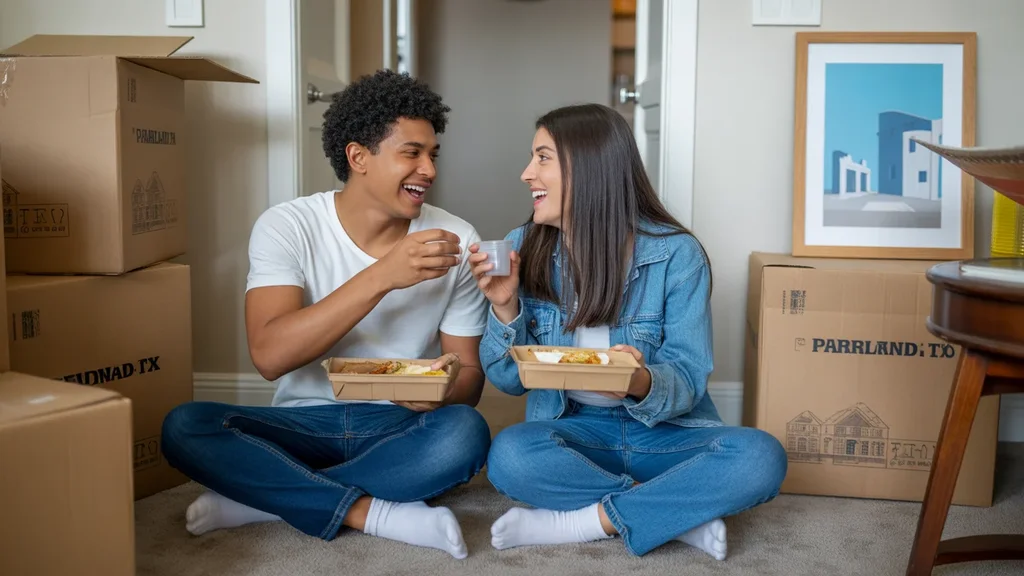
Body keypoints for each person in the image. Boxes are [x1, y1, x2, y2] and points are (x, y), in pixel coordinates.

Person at [161, 69, 492, 560]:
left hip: (396, 427)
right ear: (358, 156)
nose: (429, 170)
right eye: (411, 153)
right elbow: (270, 356)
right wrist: (383, 275)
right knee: (185, 426)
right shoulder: (288, 226)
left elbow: (469, 377)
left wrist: (445, 388)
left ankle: (266, 500)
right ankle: (371, 512)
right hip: (302, 424)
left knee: (465, 433)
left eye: (432, 154)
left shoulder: (456, 239)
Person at [467, 103, 787, 560]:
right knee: (511, 456)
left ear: (589, 166)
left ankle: (584, 521)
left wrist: (638, 381)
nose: (526, 174)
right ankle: (673, 514)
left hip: (663, 429)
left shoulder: (676, 255)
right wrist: (504, 307)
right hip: (575, 431)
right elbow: (507, 381)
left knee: (761, 457)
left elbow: (689, 378)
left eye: (542, 158)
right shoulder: (523, 247)